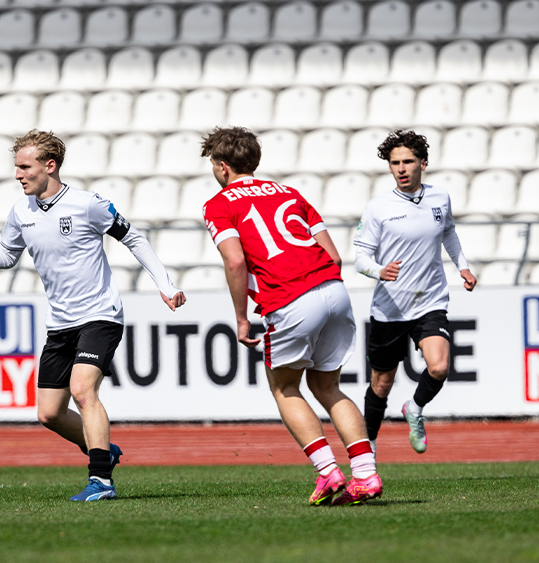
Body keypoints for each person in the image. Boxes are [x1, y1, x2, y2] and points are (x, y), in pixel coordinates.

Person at [0, 129, 185, 501]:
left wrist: (164, 284)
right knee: (49, 414)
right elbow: (6, 256)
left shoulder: (88, 204)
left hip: (100, 314)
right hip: (60, 323)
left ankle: (100, 480)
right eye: (16, 167)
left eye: (25, 166)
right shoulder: (21, 212)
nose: (17, 174)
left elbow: (133, 238)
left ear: (49, 166)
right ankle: (103, 451)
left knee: (83, 390)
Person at [201, 127, 381, 506]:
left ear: (221, 167)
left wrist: (241, 318)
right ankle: (365, 476)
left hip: (289, 297)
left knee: (284, 387)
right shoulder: (290, 193)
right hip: (333, 288)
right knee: (329, 387)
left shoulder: (219, 203)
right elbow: (332, 254)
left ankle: (329, 472)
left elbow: (235, 260)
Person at [355, 130, 476, 455]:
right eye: (395, 163)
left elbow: (448, 232)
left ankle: (415, 408)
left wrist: (462, 266)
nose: (401, 168)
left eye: (408, 161)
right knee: (381, 384)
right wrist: (378, 271)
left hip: (430, 301)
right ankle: (368, 448)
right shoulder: (378, 207)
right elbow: (360, 258)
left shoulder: (440, 197)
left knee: (438, 367)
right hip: (390, 308)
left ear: (423, 163)